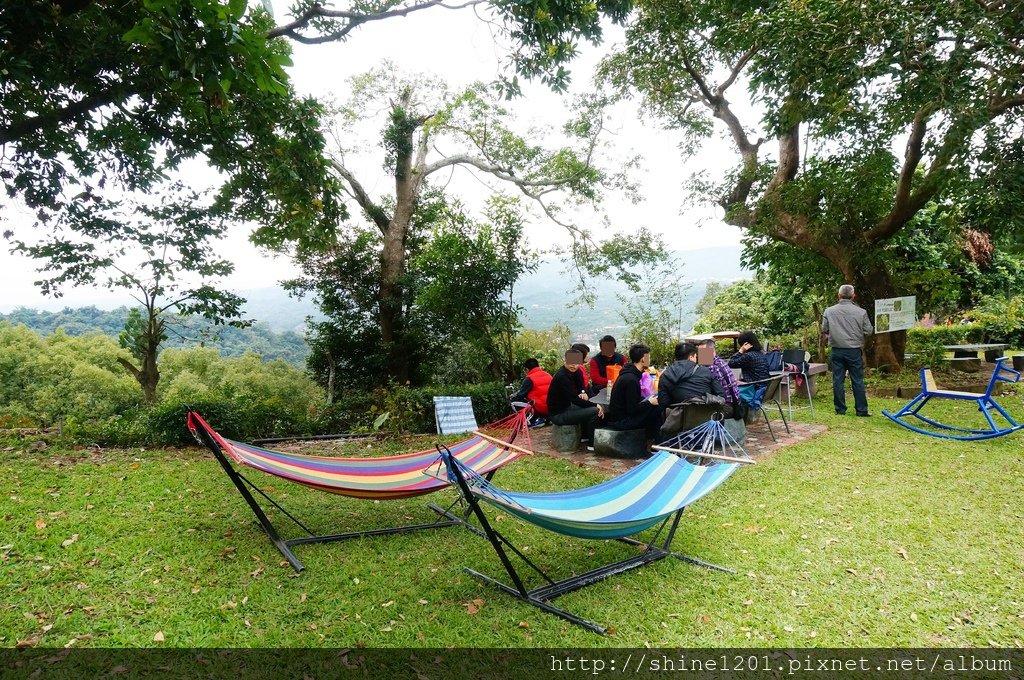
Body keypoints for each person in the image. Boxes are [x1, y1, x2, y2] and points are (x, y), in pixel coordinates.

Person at [821, 284, 874, 416]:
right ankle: (861, 410)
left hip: (836, 350)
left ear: (838, 296)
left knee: (838, 379)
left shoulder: (829, 311)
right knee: (857, 379)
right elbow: (868, 331)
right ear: (853, 296)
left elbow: (824, 330)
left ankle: (840, 409)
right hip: (854, 350)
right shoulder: (861, 312)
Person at [547, 348, 603, 447]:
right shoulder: (562, 377)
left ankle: (585, 436)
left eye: (576, 362)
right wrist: (596, 405)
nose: (574, 365)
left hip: (567, 407)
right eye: (571, 362)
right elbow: (574, 399)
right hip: (558, 414)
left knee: (589, 406)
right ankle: (592, 444)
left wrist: (582, 392)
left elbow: (581, 385)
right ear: (564, 361)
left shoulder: (576, 372)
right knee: (595, 411)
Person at [605, 343, 661, 438]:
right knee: (657, 409)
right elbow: (632, 409)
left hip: (619, 417)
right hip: (621, 421)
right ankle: (656, 443)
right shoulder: (631, 379)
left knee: (652, 404)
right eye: (648, 358)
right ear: (643, 359)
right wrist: (649, 402)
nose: (649, 360)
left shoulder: (628, 373)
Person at [659, 342, 725, 405]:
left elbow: (663, 403)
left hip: (676, 415)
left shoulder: (665, 375)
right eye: (696, 357)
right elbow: (722, 395)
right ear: (691, 357)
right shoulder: (706, 371)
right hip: (707, 414)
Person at [727, 330, 771, 405]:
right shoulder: (761, 354)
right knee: (735, 382)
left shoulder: (748, 356)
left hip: (754, 389)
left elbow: (731, 363)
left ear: (745, 344)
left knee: (727, 389)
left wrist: (741, 351)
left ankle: (736, 414)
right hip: (763, 387)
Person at [702, 339, 742, 418]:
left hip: (727, 407)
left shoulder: (713, 368)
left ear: (712, 351)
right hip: (735, 403)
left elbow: (708, 391)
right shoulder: (720, 362)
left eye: (703, 352)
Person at [509, 358, 553, 425]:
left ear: (527, 369)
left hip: (540, 409)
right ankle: (546, 419)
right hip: (552, 408)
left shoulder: (529, 379)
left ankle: (531, 420)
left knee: (514, 401)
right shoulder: (548, 375)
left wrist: (513, 396)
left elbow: (520, 395)